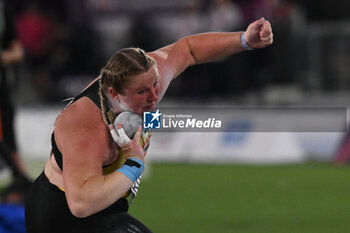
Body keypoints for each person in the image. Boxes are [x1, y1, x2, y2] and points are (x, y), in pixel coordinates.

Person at [25, 17, 273, 233]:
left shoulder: (146, 76)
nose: (154, 96)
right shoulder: (86, 124)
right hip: (62, 218)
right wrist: (135, 163)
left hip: (109, 208)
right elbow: (81, 205)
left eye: (155, 85)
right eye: (143, 91)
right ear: (115, 94)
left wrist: (244, 40)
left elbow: (188, 50)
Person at [0, 0, 31, 204]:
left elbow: (17, 50)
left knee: (7, 135)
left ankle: (21, 180)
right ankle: (21, 179)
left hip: (2, 85)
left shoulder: (4, 10)